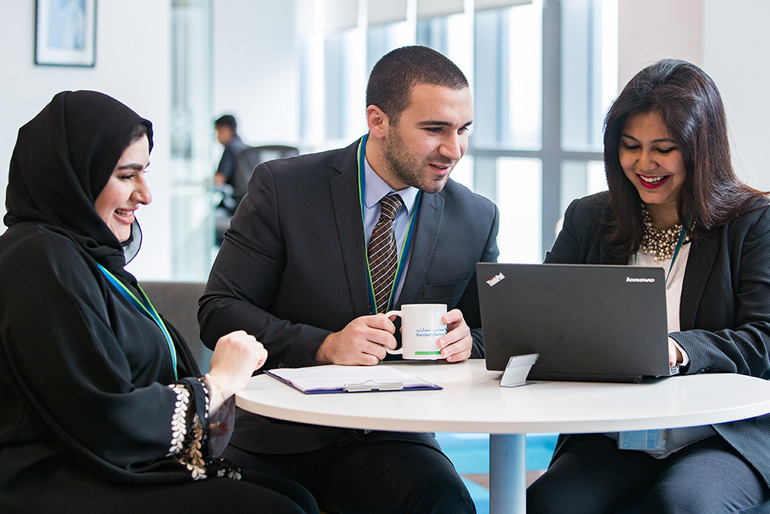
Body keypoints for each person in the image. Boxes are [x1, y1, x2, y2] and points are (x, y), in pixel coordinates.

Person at [198, 45, 499, 513]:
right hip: (281, 433)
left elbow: (491, 332)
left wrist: (469, 342)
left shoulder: (475, 217)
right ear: (377, 120)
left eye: (463, 130)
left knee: (446, 505)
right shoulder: (284, 188)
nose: (454, 149)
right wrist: (324, 346)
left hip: (392, 437)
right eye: (434, 129)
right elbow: (218, 310)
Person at [0, 90, 318, 514]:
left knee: (295, 496)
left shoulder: (83, 257)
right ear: (74, 175)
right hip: (58, 478)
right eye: (127, 176)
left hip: (106, 465)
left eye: (143, 173)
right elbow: (104, 419)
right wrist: (217, 384)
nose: (145, 195)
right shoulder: (38, 259)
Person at [526, 60, 770, 513]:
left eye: (663, 148)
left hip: (719, 436)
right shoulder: (589, 218)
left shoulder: (753, 223)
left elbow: (764, 338)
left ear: (701, 149)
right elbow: (542, 312)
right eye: (630, 146)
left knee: (681, 504)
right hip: (615, 432)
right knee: (549, 504)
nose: (644, 164)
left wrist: (679, 350)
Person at [213, 114, 249, 189]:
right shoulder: (245, 147)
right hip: (245, 198)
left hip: (233, 198)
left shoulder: (230, 148)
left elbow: (219, 180)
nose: (217, 137)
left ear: (225, 130)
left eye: (218, 132)